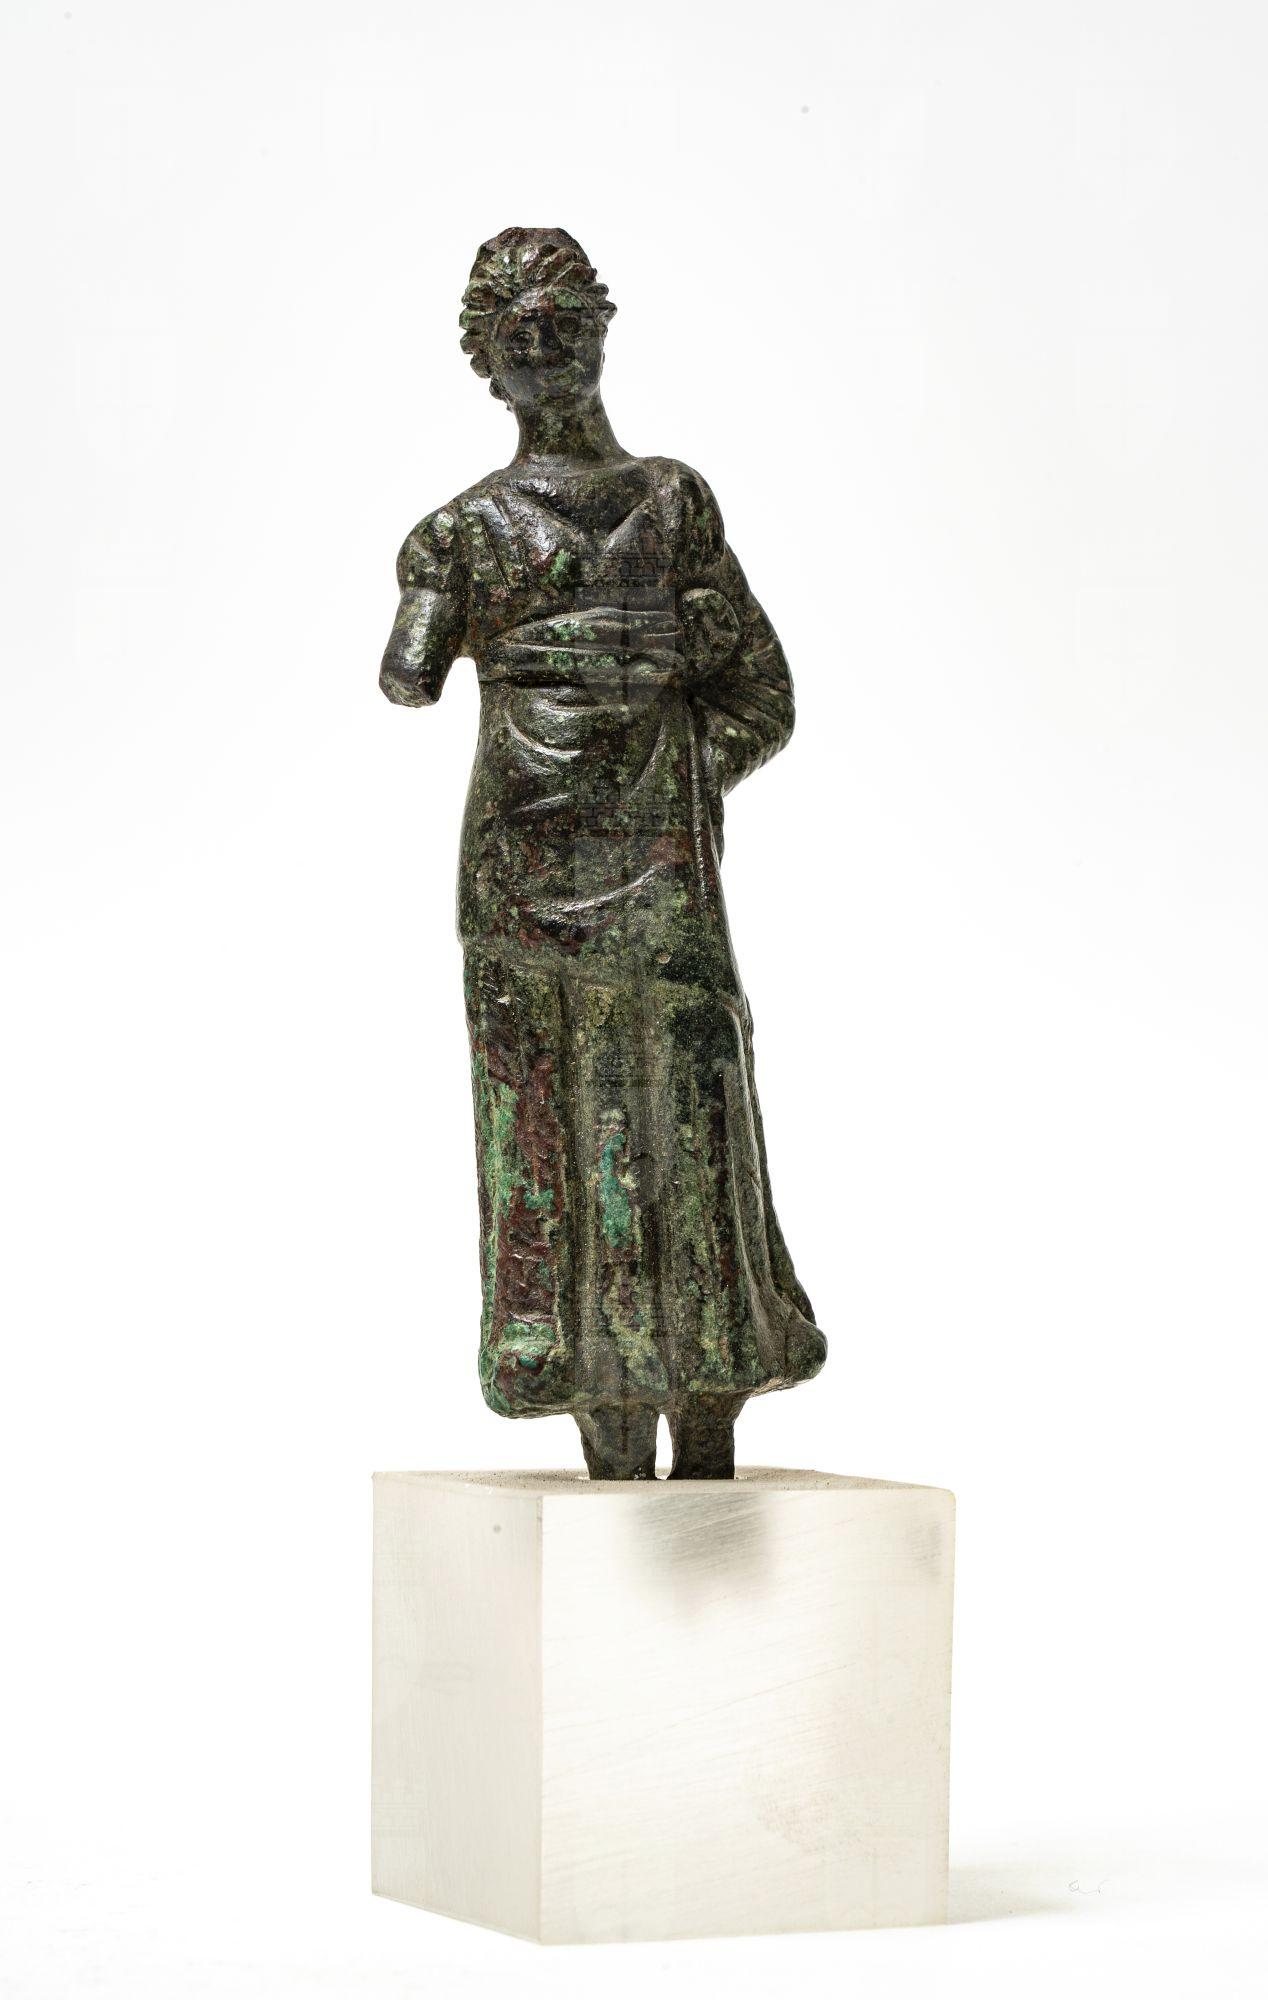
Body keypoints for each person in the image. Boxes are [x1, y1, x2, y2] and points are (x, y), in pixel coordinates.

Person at [379, 227, 825, 1478]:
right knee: (547, 1126)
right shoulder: (462, 531)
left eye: (563, 319)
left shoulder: (671, 503)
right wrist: (439, 594)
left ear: (600, 329)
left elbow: (762, 694)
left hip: (660, 874)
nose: (545, 347)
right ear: (484, 364)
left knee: (692, 1111)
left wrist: (675, 774)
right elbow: (406, 677)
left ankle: (711, 1415)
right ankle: (603, 1428)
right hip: (521, 876)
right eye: (516, 332)